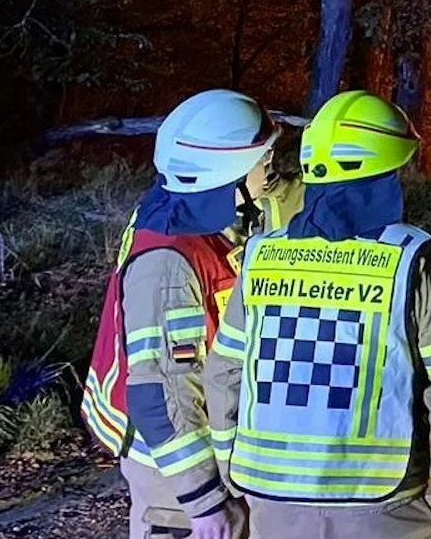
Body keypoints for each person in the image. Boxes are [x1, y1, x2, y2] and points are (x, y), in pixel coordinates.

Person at [206, 90, 431, 539]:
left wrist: (231, 468)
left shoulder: (260, 256)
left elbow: (224, 372)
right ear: (384, 175)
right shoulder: (415, 260)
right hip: (384, 501)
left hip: (271, 500)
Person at [82, 89, 280, 539]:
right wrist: (204, 500)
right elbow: (161, 391)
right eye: (262, 158)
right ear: (226, 174)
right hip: (175, 472)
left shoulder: (192, 215)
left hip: (198, 453)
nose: (271, 165)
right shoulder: (170, 262)